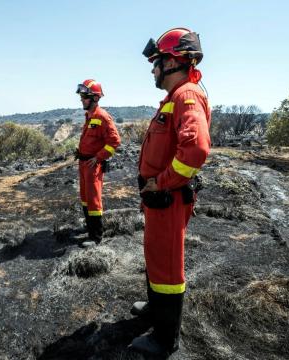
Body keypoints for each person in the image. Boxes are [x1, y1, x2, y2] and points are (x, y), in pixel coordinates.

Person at [130, 28, 211, 356]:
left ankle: (165, 339)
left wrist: (161, 182)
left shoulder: (186, 95)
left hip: (168, 198)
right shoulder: (175, 98)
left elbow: (196, 151)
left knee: (166, 266)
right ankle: (155, 310)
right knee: (156, 258)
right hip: (158, 199)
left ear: (173, 61)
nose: (153, 69)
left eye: (157, 62)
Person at [75, 79, 121, 248]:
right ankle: (89, 228)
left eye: (84, 96)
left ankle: (96, 236)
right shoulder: (89, 116)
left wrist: (99, 157)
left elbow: (115, 141)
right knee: (85, 198)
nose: (81, 99)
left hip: (93, 165)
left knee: (94, 199)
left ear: (94, 98)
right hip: (84, 163)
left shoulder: (102, 116)